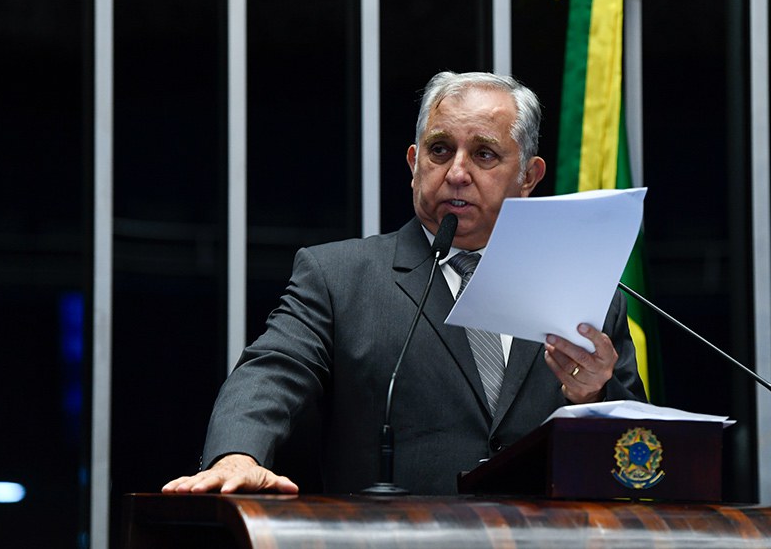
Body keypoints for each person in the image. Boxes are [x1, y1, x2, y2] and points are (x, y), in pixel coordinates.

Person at [162, 71, 646, 496]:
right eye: (440, 150)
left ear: (528, 176)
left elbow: (647, 454)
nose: (456, 173)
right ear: (414, 162)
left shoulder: (584, 293)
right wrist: (238, 455)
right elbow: (270, 372)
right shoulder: (340, 278)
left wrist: (595, 398)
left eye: (483, 154)